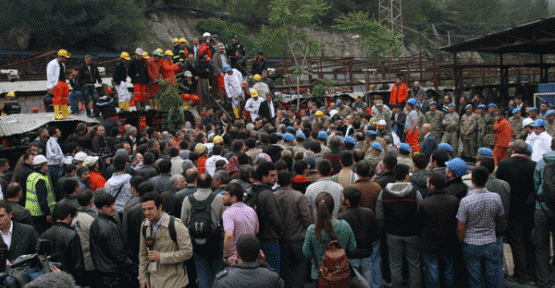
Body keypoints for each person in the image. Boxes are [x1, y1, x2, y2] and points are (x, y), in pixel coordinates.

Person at [375, 164, 423, 288]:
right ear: (407, 176)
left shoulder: (384, 193)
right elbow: (420, 213)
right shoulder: (415, 193)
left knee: (395, 263)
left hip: (392, 233)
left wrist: (383, 230)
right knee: (414, 263)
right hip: (412, 233)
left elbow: (379, 216)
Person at [495, 139, 537, 284]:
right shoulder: (534, 166)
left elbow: (499, 184)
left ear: (513, 151)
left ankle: (521, 274)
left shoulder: (505, 165)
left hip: (512, 210)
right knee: (530, 241)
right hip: (530, 209)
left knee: (517, 242)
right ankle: (533, 272)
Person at [456, 166, 504, 288]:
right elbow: (500, 217)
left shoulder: (466, 201)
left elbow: (460, 227)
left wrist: (460, 240)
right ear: (487, 180)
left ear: (472, 179)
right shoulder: (496, 197)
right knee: (492, 276)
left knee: (474, 277)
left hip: (471, 243)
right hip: (490, 241)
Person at [139, 192, 193, 288]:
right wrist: (143, 278)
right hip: (154, 281)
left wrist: (161, 257)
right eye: (144, 209)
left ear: (160, 207)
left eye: (150, 209)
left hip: (175, 282)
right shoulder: (145, 226)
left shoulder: (176, 225)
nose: (147, 213)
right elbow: (143, 254)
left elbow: (187, 252)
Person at [180, 173, 225, 288]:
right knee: (217, 274)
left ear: (196, 183)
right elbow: (224, 220)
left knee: (202, 273)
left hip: (196, 242)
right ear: (211, 183)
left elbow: (183, 222)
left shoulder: (188, 199)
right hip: (215, 242)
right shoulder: (219, 198)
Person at [302, 192, 357, 285]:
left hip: (319, 275)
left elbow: (306, 253)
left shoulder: (312, 229)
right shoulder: (344, 225)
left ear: (316, 208)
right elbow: (352, 249)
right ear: (334, 207)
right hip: (341, 275)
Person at [419, 172, 459, 288]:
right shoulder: (454, 201)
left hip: (430, 244)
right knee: (449, 271)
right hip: (449, 242)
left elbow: (420, 224)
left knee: (432, 273)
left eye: (428, 183)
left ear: (432, 186)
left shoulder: (425, 203)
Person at [273, 171, 312, 288]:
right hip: (298, 239)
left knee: (285, 269)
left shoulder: (273, 196)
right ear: (291, 181)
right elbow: (307, 219)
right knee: (301, 267)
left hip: (281, 239)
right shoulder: (298, 196)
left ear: (277, 181)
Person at [338, 187, 381, 287]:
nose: (342, 198)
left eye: (343, 196)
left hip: (352, 256)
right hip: (367, 254)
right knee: (368, 282)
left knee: (355, 283)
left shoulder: (342, 217)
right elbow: (377, 232)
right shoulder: (369, 212)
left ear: (347, 201)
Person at [90, 192, 134, 287]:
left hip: (102, 272)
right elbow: (119, 254)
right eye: (108, 206)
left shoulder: (95, 223)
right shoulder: (109, 227)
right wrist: (133, 267)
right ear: (99, 209)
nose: (113, 207)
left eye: (113, 204)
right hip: (113, 275)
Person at [246, 162, 283, 272]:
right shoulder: (267, 194)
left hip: (255, 238)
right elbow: (276, 218)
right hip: (270, 239)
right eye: (272, 175)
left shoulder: (251, 190)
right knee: (273, 272)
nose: (275, 178)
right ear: (263, 176)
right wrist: (280, 232)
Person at [39, 203, 84, 285]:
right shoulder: (72, 235)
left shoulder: (44, 234)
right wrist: (83, 283)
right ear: (68, 216)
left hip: (50, 279)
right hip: (69, 279)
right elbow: (78, 264)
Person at [213, 235, 283, 288]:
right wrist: (263, 265)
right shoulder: (273, 278)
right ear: (259, 254)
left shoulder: (223, 280)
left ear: (237, 254)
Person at [531, 138, 555, 288]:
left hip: (542, 209)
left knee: (541, 246)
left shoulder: (542, 161)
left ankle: (544, 281)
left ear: (551, 145)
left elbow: (536, 183)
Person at [222, 183, 259, 265]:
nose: (223, 197)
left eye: (225, 194)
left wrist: (227, 256)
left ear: (234, 198)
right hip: (251, 256)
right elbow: (256, 230)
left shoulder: (228, 213)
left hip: (236, 258)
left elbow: (229, 236)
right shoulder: (251, 210)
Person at [25, 155, 57, 234]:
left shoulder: (31, 176)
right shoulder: (40, 179)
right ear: (43, 166)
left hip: (31, 211)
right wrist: (47, 214)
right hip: (40, 213)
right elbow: (42, 199)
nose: (47, 166)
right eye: (46, 165)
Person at [103, 155, 133, 221]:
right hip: (127, 211)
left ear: (114, 167)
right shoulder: (129, 179)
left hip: (114, 212)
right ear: (125, 166)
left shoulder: (108, 183)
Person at [46, 49, 71, 120]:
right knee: (57, 99)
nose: (66, 59)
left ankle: (65, 114)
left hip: (63, 82)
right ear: (61, 56)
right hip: (57, 83)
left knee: (64, 99)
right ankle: (57, 114)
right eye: (65, 57)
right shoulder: (52, 64)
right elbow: (50, 75)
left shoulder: (62, 64)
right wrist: (52, 85)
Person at [46, 126, 64, 191]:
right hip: (54, 168)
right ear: (54, 134)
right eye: (58, 131)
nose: (60, 132)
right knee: (57, 186)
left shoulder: (55, 141)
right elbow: (51, 155)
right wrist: (61, 158)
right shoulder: (50, 142)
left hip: (58, 167)